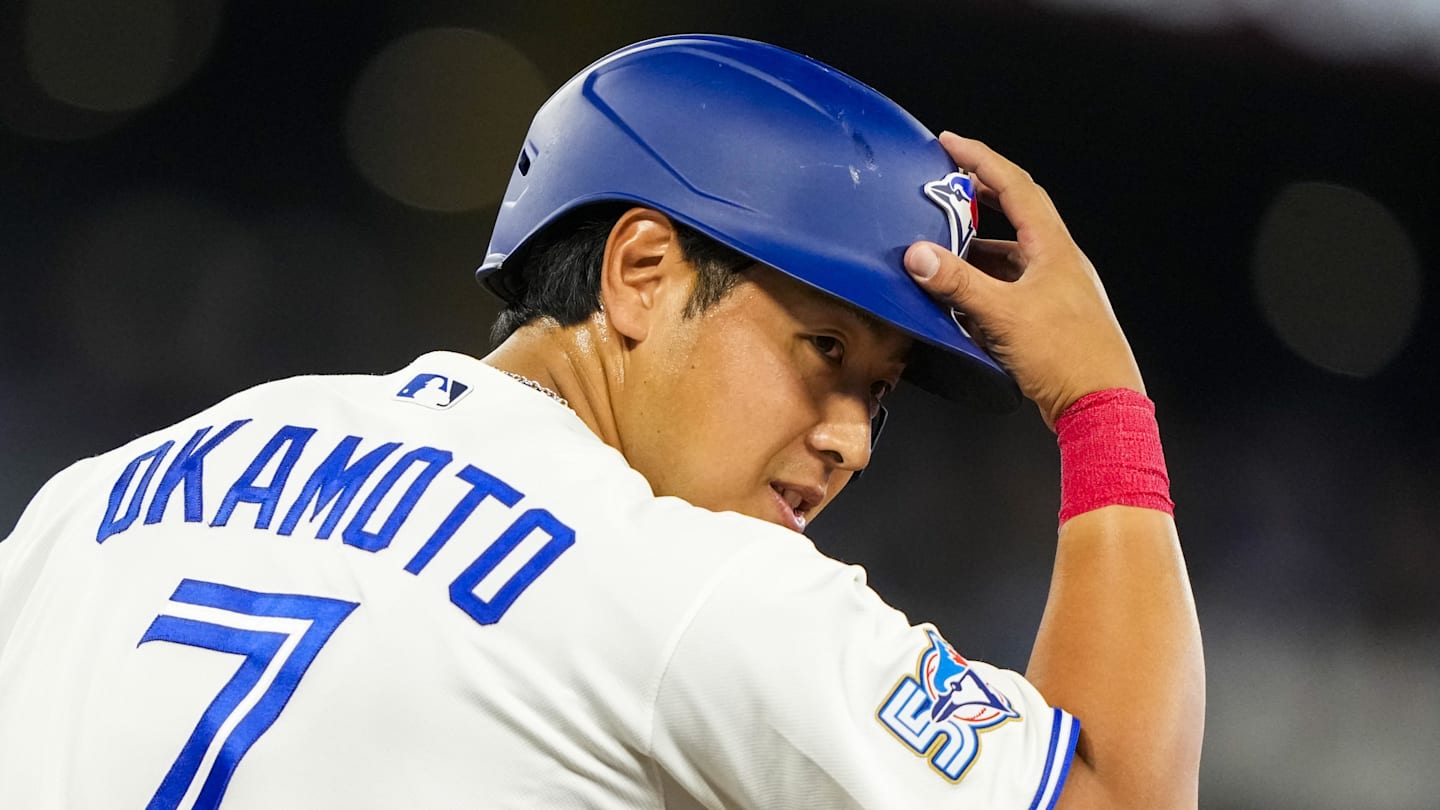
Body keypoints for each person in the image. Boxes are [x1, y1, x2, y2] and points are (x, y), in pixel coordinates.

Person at [0, 34, 1202, 809]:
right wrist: (1101, 401)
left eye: (877, 394)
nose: (850, 440)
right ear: (639, 272)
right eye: (825, 351)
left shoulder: (108, 494)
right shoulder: (687, 583)